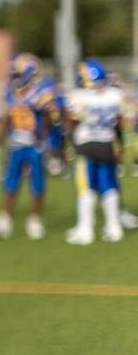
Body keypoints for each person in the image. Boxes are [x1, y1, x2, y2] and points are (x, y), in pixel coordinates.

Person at [0, 52, 59, 240]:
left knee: (37, 185)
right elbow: (6, 120)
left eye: (17, 75)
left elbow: (50, 120)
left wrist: (48, 143)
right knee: (10, 183)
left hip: (35, 147)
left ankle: (35, 220)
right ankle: (5, 219)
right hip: (16, 145)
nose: (14, 79)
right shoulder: (12, 93)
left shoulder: (40, 93)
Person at [65, 59, 124, 244]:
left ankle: (86, 230)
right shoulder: (115, 94)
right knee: (108, 185)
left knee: (85, 188)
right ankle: (114, 228)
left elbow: (71, 121)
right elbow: (120, 119)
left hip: (87, 144)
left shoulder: (80, 97)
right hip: (107, 142)